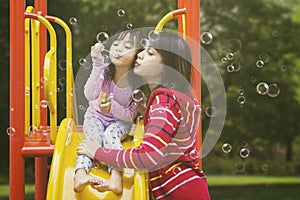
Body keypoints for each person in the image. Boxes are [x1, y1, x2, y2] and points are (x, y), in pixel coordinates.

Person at [77, 31, 211, 200]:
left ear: (166, 66)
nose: (140, 54)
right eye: (143, 50)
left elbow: (146, 156)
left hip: (180, 191)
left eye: (150, 53)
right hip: (186, 188)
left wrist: (98, 152)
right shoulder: (174, 98)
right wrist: (144, 111)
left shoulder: (165, 102)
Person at [73, 29, 144, 194]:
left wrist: (113, 108)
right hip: (95, 116)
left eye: (127, 46)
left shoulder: (137, 84)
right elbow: (90, 94)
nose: (118, 48)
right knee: (93, 139)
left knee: (109, 135)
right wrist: (97, 64)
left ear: (137, 56)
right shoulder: (104, 71)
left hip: (120, 123)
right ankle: (80, 175)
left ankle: (116, 178)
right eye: (116, 44)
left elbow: (129, 115)